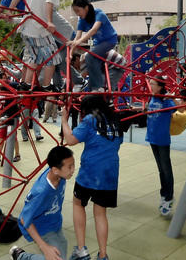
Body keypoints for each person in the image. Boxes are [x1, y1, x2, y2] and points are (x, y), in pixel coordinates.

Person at [61, 95, 123, 260]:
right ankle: (103, 254)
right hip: (110, 174)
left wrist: (64, 121)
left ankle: (81, 250)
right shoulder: (115, 119)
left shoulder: (90, 119)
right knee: (100, 213)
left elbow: (70, 140)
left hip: (90, 173)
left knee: (78, 203)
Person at [9, 145, 75, 260]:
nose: (73, 170)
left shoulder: (60, 175)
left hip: (55, 222)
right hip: (41, 228)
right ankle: (21, 256)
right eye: (70, 167)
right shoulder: (42, 192)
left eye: (73, 165)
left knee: (59, 255)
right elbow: (25, 219)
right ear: (55, 170)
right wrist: (43, 246)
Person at [8, 0, 66, 91]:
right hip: (39, 30)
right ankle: (46, 85)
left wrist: (10, 11)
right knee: (53, 57)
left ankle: (27, 84)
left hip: (26, 29)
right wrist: (50, 21)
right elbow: (49, 3)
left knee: (34, 58)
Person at [142, 76, 176, 216]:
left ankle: (169, 197)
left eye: (153, 84)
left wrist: (170, 98)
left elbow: (175, 110)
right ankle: (164, 194)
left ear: (160, 86)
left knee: (166, 169)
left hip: (162, 139)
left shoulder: (166, 100)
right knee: (161, 169)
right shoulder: (153, 98)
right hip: (152, 138)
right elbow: (150, 114)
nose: (150, 86)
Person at [68, 0, 118, 92]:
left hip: (109, 41)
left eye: (78, 11)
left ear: (86, 7)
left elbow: (93, 30)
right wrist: (70, 53)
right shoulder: (82, 20)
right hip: (97, 44)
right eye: (76, 12)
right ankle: (92, 89)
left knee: (89, 57)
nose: (78, 14)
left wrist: (78, 42)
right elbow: (77, 38)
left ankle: (99, 87)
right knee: (90, 63)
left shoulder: (99, 14)